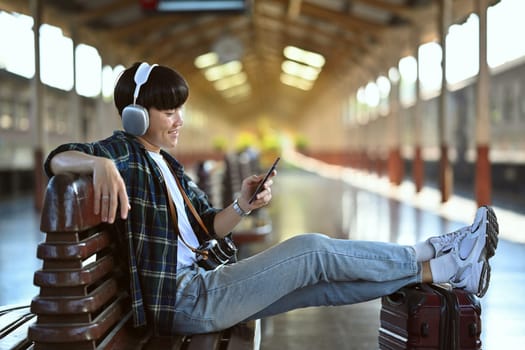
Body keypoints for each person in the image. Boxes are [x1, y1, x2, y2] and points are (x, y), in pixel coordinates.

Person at [44, 62, 499, 336]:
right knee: (312, 250)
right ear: (136, 116)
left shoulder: (167, 163)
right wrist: (96, 163)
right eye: (169, 112)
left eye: (181, 110)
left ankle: (445, 269)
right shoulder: (123, 151)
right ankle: (438, 251)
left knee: (322, 286)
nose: (179, 120)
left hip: (200, 287)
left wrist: (242, 205)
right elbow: (57, 160)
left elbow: (206, 225)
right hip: (185, 300)